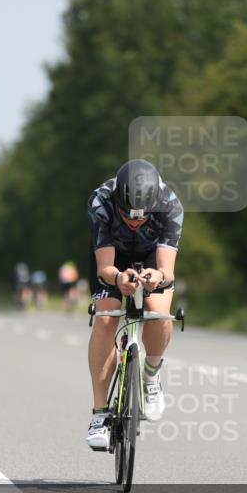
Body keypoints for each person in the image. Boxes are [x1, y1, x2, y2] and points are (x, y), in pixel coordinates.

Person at [85, 159, 183, 450]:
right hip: (112, 260)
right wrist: (118, 278)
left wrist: (157, 276)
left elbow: (168, 270)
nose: (136, 222)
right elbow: (104, 267)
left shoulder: (170, 205)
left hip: (152, 257)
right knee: (105, 319)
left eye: (142, 218)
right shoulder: (100, 201)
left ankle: (151, 374)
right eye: (128, 217)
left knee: (159, 314)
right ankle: (100, 415)